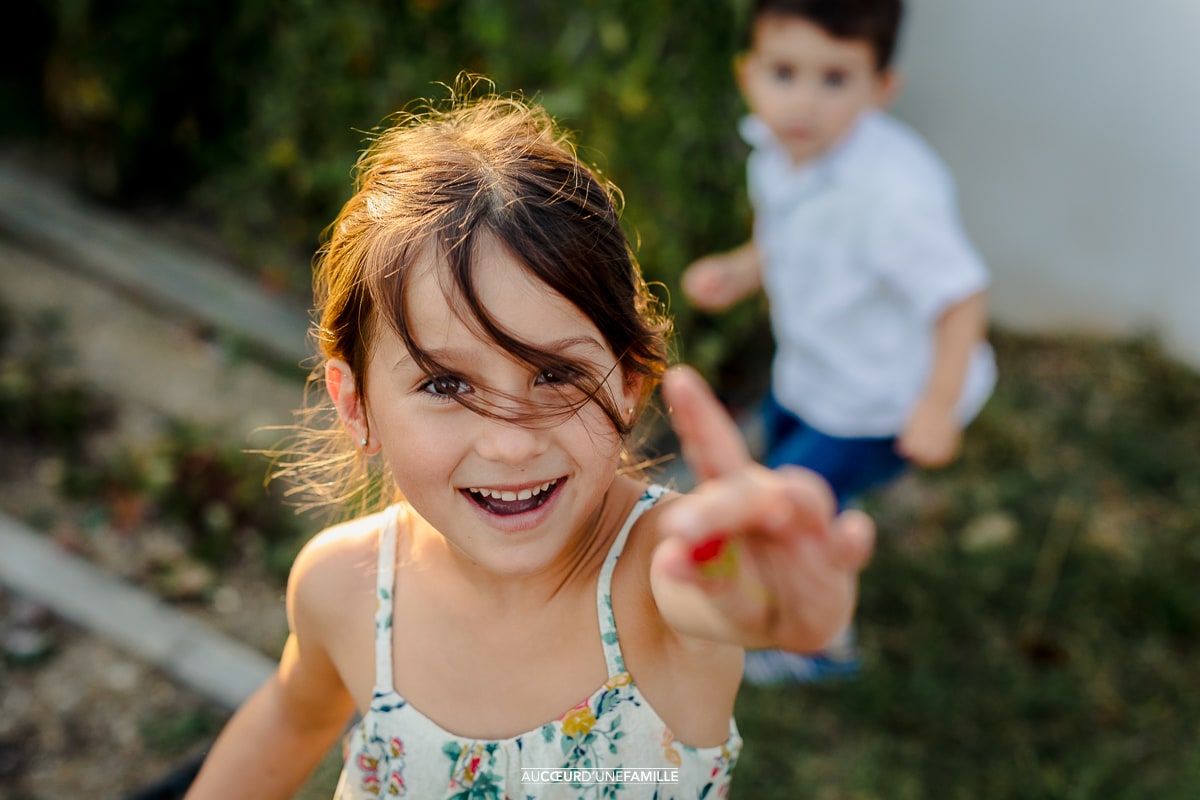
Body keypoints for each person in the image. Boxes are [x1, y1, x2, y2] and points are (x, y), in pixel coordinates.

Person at [183, 84, 875, 799]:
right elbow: (293, 719)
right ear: (355, 404)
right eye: (446, 385)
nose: (511, 446)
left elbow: (718, 597)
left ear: (631, 381)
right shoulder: (342, 587)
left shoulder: (659, 581)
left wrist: (769, 598)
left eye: (555, 374)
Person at [682, 0, 996, 686]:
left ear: (881, 88)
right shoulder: (777, 151)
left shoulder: (892, 194)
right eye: (785, 71)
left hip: (878, 400)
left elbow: (960, 296)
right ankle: (807, 574)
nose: (802, 101)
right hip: (812, 374)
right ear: (748, 75)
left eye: (835, 79)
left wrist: (937, 405)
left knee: (791, 509)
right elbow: (784, 229)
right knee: (790, 474)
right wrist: (742, 269)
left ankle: (816, 638)